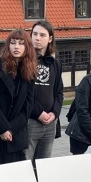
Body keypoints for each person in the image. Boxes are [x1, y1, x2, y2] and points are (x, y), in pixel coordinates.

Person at [0, 30, 36, 166]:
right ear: (8, 45)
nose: (16, 47)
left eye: (21, 43)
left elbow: (27, 107)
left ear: (27, 47)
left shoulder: (30, 72)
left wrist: (10, 129)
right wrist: (2, 128)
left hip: (15, 138)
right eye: (13, 43)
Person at [26, 20, 63, 165]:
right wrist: (38, 113)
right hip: (30, 121)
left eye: (42, 35)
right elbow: (23, 94)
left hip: (50, 124)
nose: (37, 38)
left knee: (44, 167)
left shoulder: (55, 63)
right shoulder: (24, 61)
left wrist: (55, 113)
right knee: (26, 166)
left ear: (50, 39)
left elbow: (59, 92)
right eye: (34, 34)